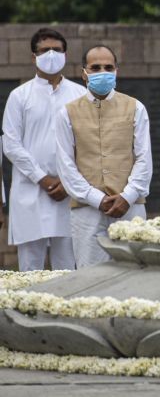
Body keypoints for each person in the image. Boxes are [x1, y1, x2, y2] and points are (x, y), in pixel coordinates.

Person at [56, 45, 153, 268]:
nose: (102, 72)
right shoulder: (67, 113)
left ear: (116, 71)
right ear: (84, 73)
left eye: (108, 67)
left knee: (135, 273)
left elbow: (144, 158)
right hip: (87, 210)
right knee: (90, 276)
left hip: (131, 206)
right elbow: (66, 165)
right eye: (96, 67)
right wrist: (95, 198)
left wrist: (127, 196)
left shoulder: (135, 107)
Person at [2, 28, 85, 271]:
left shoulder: (80, 95)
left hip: (68, 192)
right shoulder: (20, 96)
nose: (51, 55)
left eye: (57, 50)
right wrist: (43, 178)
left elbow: (87, 143)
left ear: (65, 55)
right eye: (44, 50)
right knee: (30, 269)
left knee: (67, 268)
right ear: (33, 56)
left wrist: (66, 180)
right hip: (30, 193)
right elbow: (11, 144)